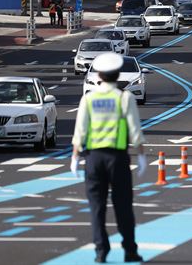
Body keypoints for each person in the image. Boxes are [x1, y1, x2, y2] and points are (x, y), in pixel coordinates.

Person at [70, 53, 147, 263]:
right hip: (118, 157)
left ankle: (100, 251)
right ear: (117, 74)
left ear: (100, 75)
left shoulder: (89, 98)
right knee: (123, 205)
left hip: (93, 158)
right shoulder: (124, 97)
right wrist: (141, 155)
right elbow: (135, 130)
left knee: (97, 206)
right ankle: (130, 250)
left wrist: (75, 157)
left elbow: (80, 131)